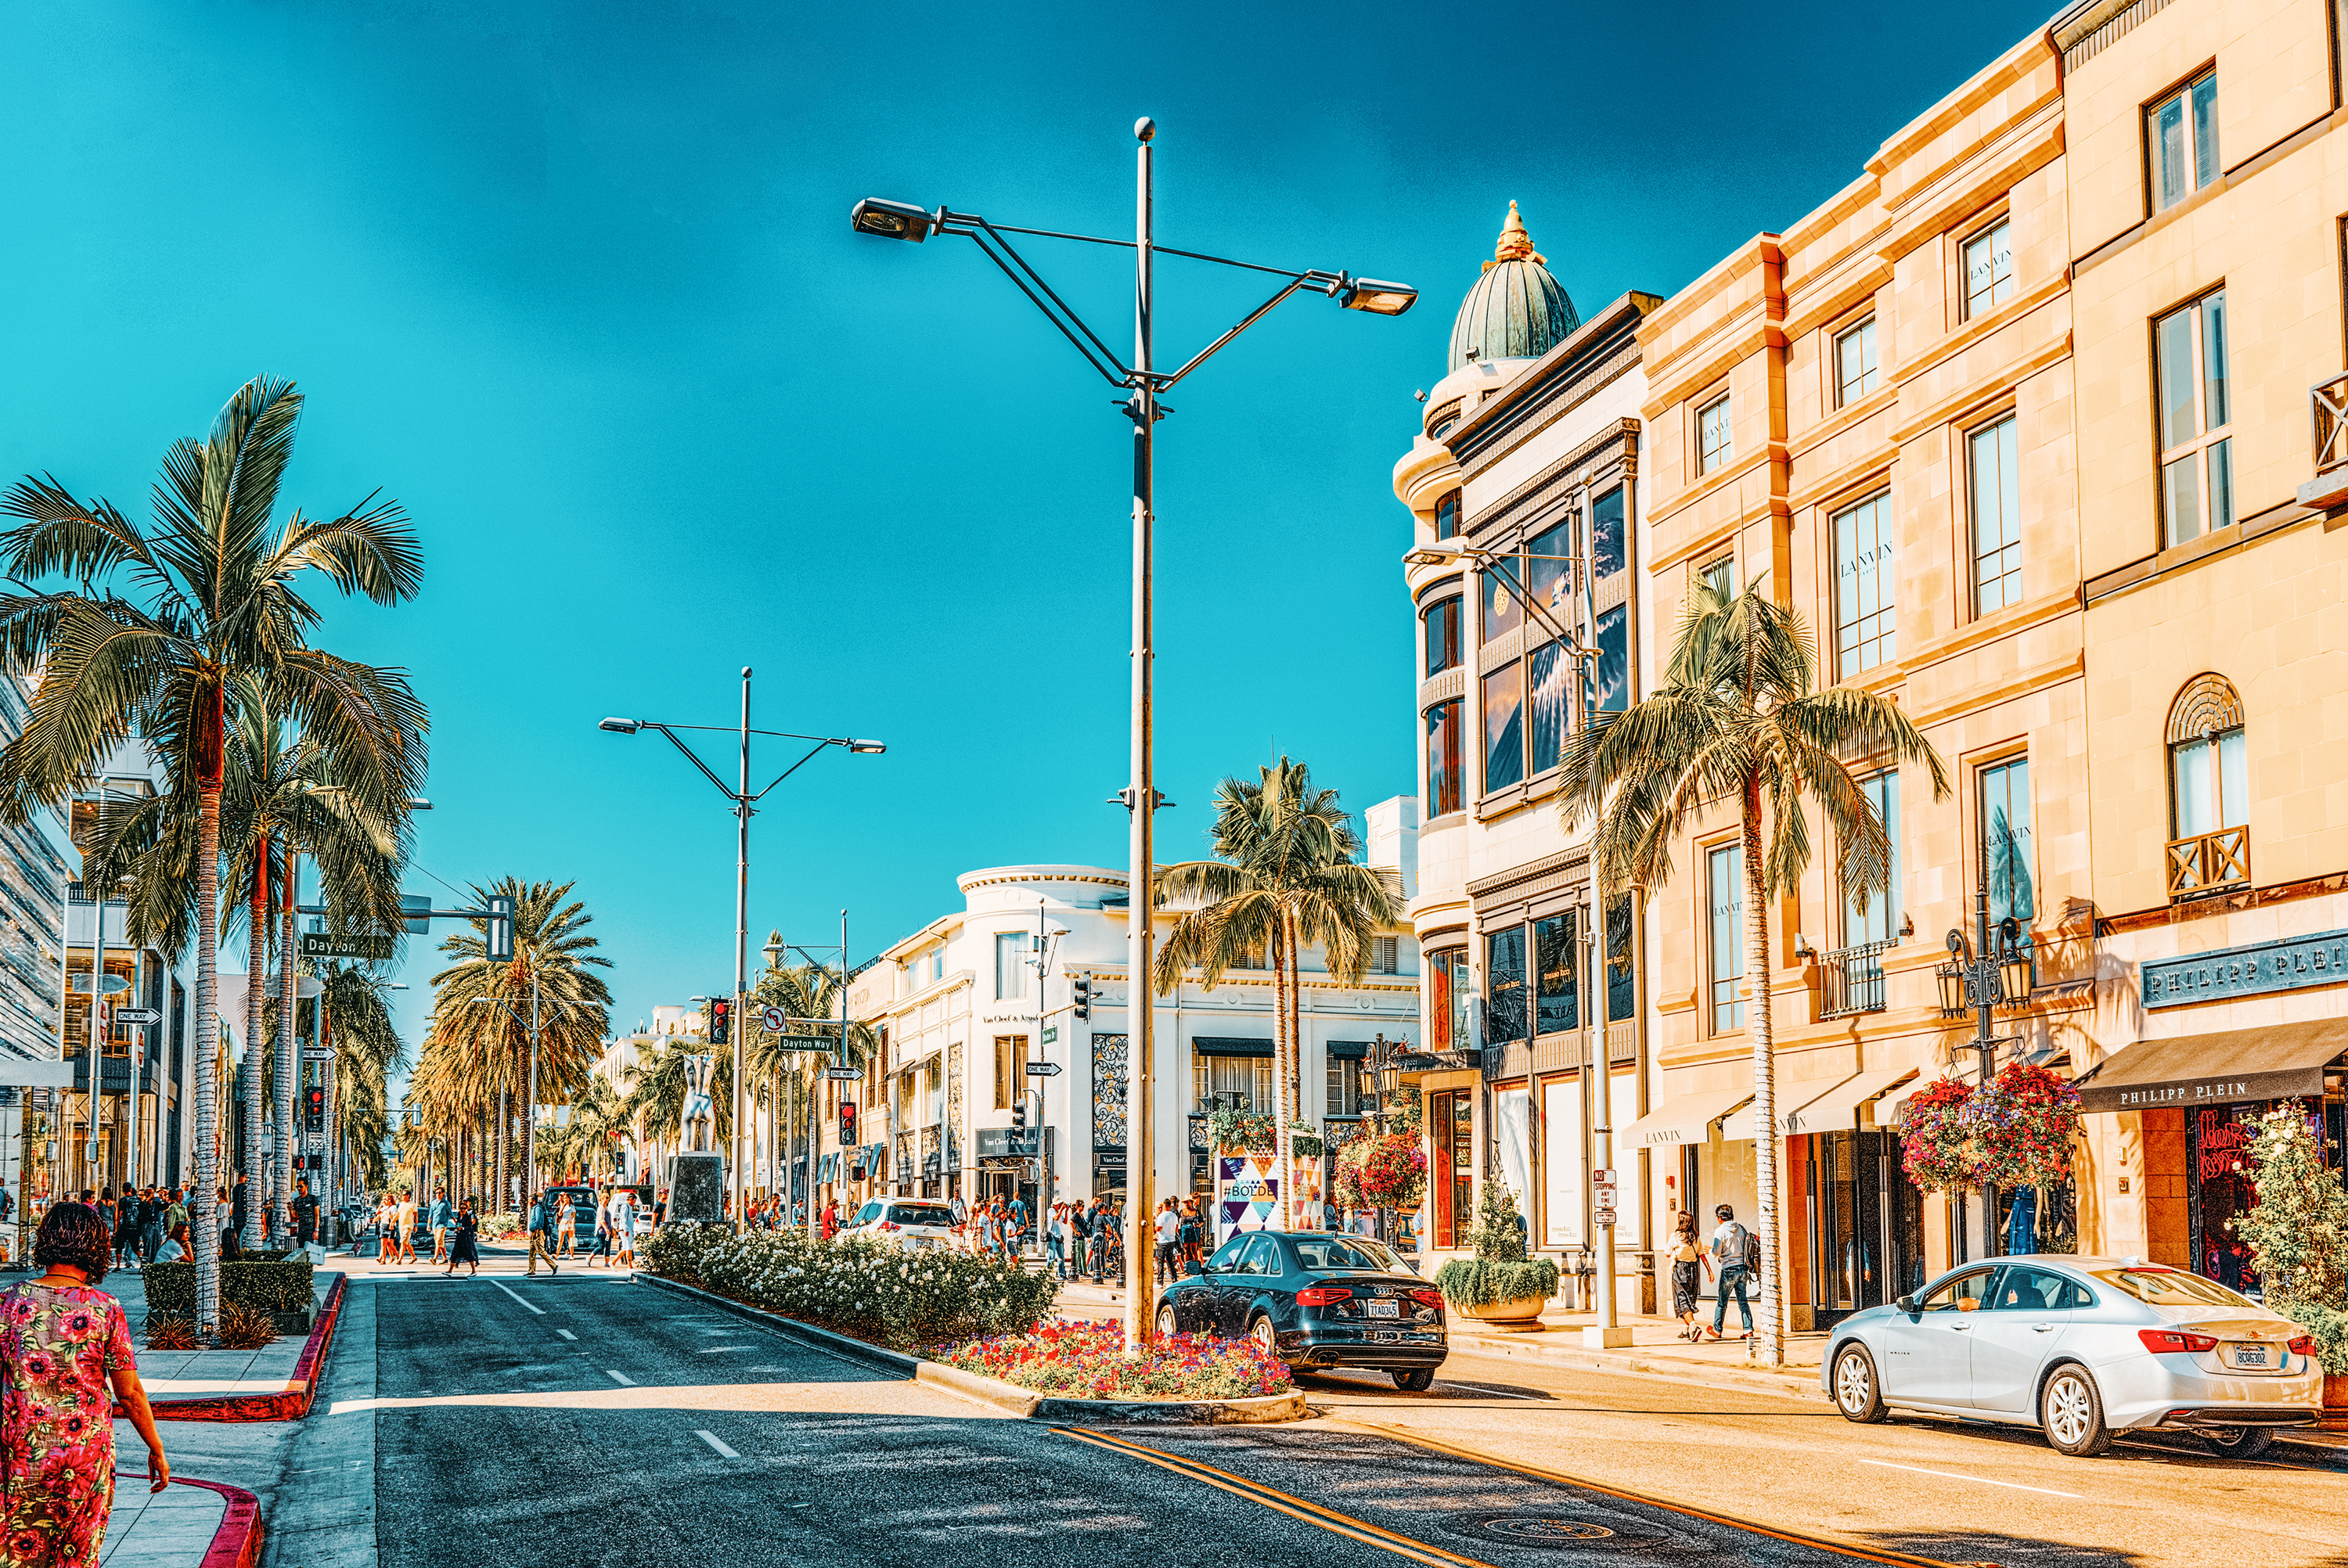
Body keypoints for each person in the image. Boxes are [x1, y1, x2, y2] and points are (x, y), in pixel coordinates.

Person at [0, 1202, 171, 1563]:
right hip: (83, 1458)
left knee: (16, 1550)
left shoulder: (8, 1302)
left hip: (18, 1453)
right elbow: (130, 1393)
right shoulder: (104, 1308)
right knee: (76, 1553)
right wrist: (155, 1447)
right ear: (96, 1248)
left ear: (46, 1241)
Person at [1708, 1203, 1756, 1342]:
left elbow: (1716, 1252)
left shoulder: (1720, 1231)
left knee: (1722, 1301)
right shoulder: (1741, 1228)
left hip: (1728, 1269)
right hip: (1742, 1269)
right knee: (1743, 1301)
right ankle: (1748, 1330)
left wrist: (1709, 1251)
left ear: (1720, 1218)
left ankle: (1717, 1329)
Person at [1667, 1212, 1711, 1342]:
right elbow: (1702, 1255)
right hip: (1694, 1269)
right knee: (1689, 1298)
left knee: (1682, 1300)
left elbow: (1667, 1254)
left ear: (1681, 1221)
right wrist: (1710, 1271)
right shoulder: (1696, 1237)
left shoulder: (1676, 1236)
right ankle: (1686, 1331)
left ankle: (1694, 1326)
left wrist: (1676, 1253)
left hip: (1680, 1269)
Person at [526, 1190, 559, 1276]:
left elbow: (538, 1220)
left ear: (534, 1201)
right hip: (534, 1232)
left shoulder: (538, 1208)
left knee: (541, 1251)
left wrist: (536, 1231)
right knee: (531, 1252)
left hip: (538, 1232)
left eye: (530, 1201)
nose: (529, 1203)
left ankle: (554, 1266)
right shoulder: (533, 1208)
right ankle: (531, 1270)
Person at [445, 1201, 480, 1277]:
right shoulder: (458, 1216)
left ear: (466, 1209)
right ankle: (450, 1271)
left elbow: (470, 1227)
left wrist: (463, 1228)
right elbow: (457, 1225)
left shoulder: (467, 1217)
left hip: (466, 1238)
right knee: (454, 1254)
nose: (463, 1210)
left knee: (469, 1254)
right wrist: (456, 1229)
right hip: (459, 1238)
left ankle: (474, 1271)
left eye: (464, 1208)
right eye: (461, 1208)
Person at [1152, 1197, 1180, 1290]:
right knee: (1170, 1261)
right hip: (1172, 1240)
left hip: (1163, 1240)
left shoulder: (1162, 1216)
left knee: (1160, 1261)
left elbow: (1157, 1228)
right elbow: (1176, 1229)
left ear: (1164, 1206)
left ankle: (1160, 1281)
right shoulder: (1174, 1216)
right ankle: (1174, 1279)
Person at [292, 1180, 320, 1252]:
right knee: (301, 1249)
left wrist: (316, 1230)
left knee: (309, 1248)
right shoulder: (297, 1200)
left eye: (301, 1186)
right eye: (297, 1187)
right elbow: (294, 1216)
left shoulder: (312, 1199)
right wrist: (290, 1210)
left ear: (306, 1186)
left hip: (310, 1228)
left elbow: (317, 1215)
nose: (299, 1189)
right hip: (301, 1229)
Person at [429, 1188, 453, 1264]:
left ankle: (435, 1259)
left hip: (442, 1225)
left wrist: (457, 1223)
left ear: (443, 1193)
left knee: (439, 1241)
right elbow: (430, 1215)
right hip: (434, 1226)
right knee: (440, 1243)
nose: (438, 1194)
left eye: (439, 1193)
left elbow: (451, 1214)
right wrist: (428, 1225)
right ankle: (445, 1258)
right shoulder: (433, 1203)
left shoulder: (446, 1204)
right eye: (436, 1193)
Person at [394, 1189, 420, 1265]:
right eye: (402, 1195)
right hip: (401, 1226)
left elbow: (416, 1216)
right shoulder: (401, 1204)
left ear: (408, 1196)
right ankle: (414, 1257)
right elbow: (398, 1214)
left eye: (404, 1195)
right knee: (406, 1243)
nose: (402, 1196)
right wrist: (392, 1222)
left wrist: (416, 1225)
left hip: (408, 1226)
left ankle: (399, 1260)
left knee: (403, 1242)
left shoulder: (413, 1204)